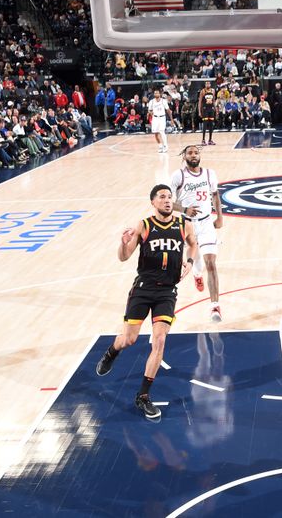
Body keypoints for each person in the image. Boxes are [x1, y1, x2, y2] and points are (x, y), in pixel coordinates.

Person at [96, 184, 198, 419]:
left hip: (167, 291)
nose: (167, 200)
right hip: (143, 289)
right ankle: (112, 351)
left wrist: (190, 262)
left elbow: (193, 243)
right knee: (128, 339)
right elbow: (124, 257)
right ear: (153, 202)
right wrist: (123, 242)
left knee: (160, 340)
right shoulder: (144, 225)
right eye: (162, 197)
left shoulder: (184, 225)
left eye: (170, 197)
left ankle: (143, 396)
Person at [171, 145, 224, 322]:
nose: (193, 155)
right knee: (198, 264)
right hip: (188, 225)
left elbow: (216, 195)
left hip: (207, 222)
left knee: (211, 263)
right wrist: (185, 208)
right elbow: (169, 203)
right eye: (190, 153)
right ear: (184, 156)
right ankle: (196, 274)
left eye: (196, 152)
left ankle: (215, 306)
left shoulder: (210, 174)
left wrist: (220, 217)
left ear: (199, 155)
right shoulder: (178, 175)